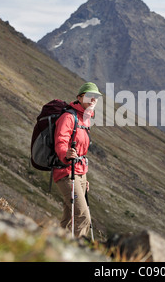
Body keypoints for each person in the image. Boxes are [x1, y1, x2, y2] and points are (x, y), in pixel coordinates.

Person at [53, 82, 102, 238]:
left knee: (69, 219)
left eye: (97, 97)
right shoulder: (68, 117)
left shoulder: (85, 119)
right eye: (90, 96)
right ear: (80, 98)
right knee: (82, 218)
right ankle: (76, 254)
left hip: (79, 173)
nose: (94, 100)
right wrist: (65, 154)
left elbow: (82, 150)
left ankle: (54, 248)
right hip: (66, 171)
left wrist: (83, 178)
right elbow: (61, 140)